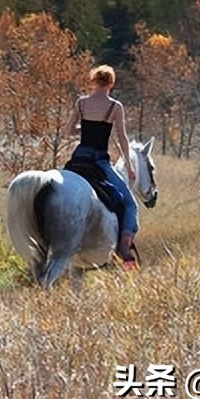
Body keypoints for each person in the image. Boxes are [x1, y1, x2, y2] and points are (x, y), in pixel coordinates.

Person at [63, 64, 139, 269]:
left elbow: (68, 131)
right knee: (130, 204)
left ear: (93, 81)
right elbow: (122, 137)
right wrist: (129, 166)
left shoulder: (81, 103)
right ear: (111, 84)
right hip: (99, 162)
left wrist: (86, 128)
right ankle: (124, 249)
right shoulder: (115, 107)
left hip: (77, 160)